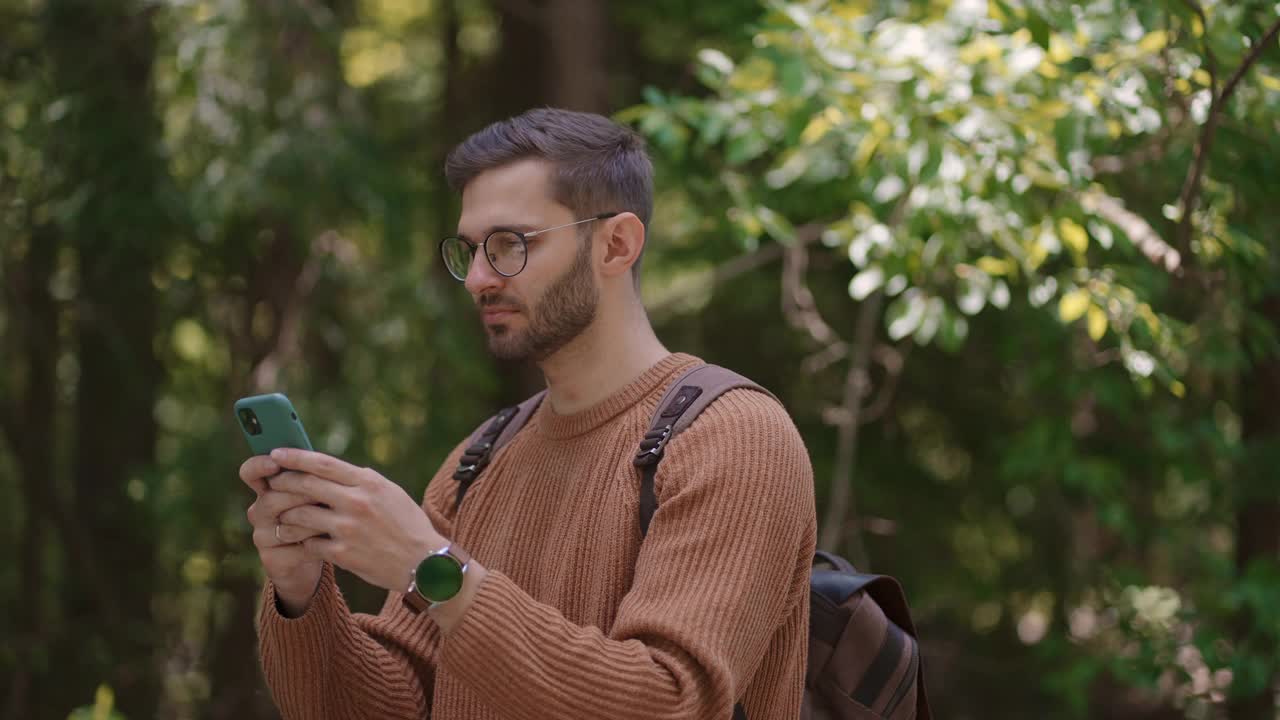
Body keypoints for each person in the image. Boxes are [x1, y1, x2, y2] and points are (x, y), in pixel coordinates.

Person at [240, 108, 817, 719]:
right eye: (469, 251)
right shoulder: (479, 459)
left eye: (510, 244)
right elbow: (395, 705)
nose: (478, 279)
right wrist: (301, 592)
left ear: (616, 244)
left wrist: (429, 567)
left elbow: (666, 700)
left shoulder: (732, 437)